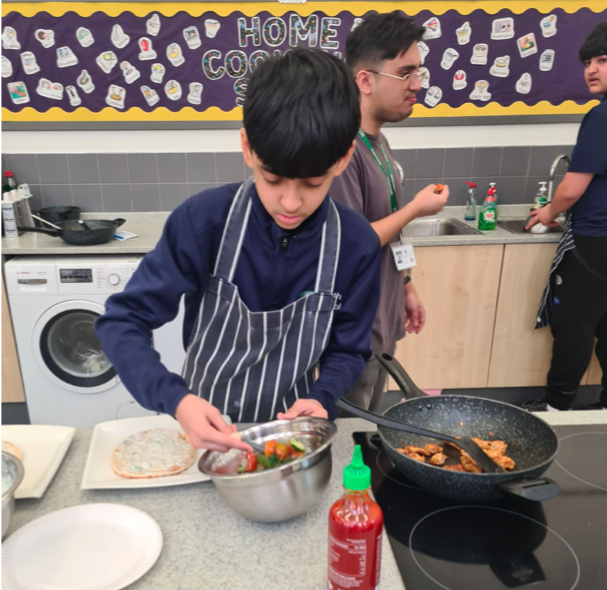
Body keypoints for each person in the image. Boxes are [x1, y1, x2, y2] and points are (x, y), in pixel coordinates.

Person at [96, 49, 381, 452]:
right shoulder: (202, 222)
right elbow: (121, 323)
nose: (290, 203)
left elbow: (349, 350)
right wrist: (176, 400)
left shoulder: (356, 245)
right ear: (248, 147)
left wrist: (322, 398)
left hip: (292, 440)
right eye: (273, 178)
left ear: (344, 157)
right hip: (204, 432)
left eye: (313, 183)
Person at [330, 12, 449, 413]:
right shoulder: (343, 151)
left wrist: (406, 284)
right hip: (353, 330)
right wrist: (416, 208)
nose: (417, 85)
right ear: (365, 80)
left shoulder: (379, 142)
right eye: (405, 73)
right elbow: (351, 243)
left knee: (371, 422)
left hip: (381, 318)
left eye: (419, 71)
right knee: (349, 432)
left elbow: (387, 227)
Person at [525, 22, 607, 411]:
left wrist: (548, 211)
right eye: (588, 61)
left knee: (574, 330)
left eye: (603, 60)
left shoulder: (602, 116)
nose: (591, 69)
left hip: (594, 244)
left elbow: (572, 189)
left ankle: (556, 410)